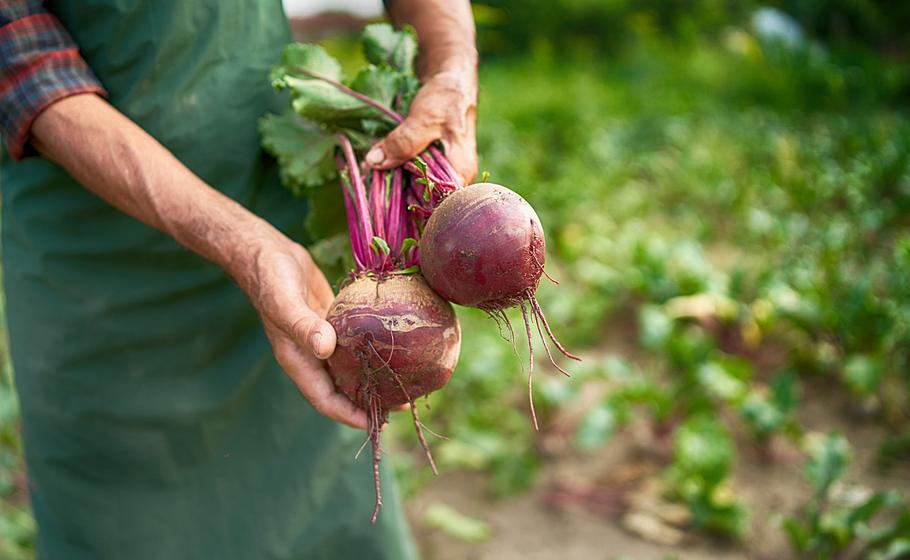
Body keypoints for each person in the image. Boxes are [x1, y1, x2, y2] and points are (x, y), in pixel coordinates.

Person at [0, 0, 477, 557]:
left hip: (275, 219)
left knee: (319, 499)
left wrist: (451, 70)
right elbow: (27, 69)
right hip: (101, 255)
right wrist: (240, 243)